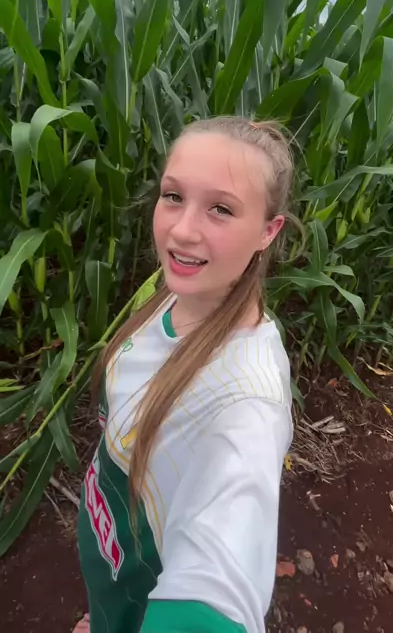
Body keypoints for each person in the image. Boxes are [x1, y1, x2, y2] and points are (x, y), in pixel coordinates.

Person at [74, 116, 297, 633]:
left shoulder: (245, 403)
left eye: (221, 209)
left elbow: (214, 595)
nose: (181, 230)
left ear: (268, 231)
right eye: (173, 196)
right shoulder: (177, 292)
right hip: (116, 582)